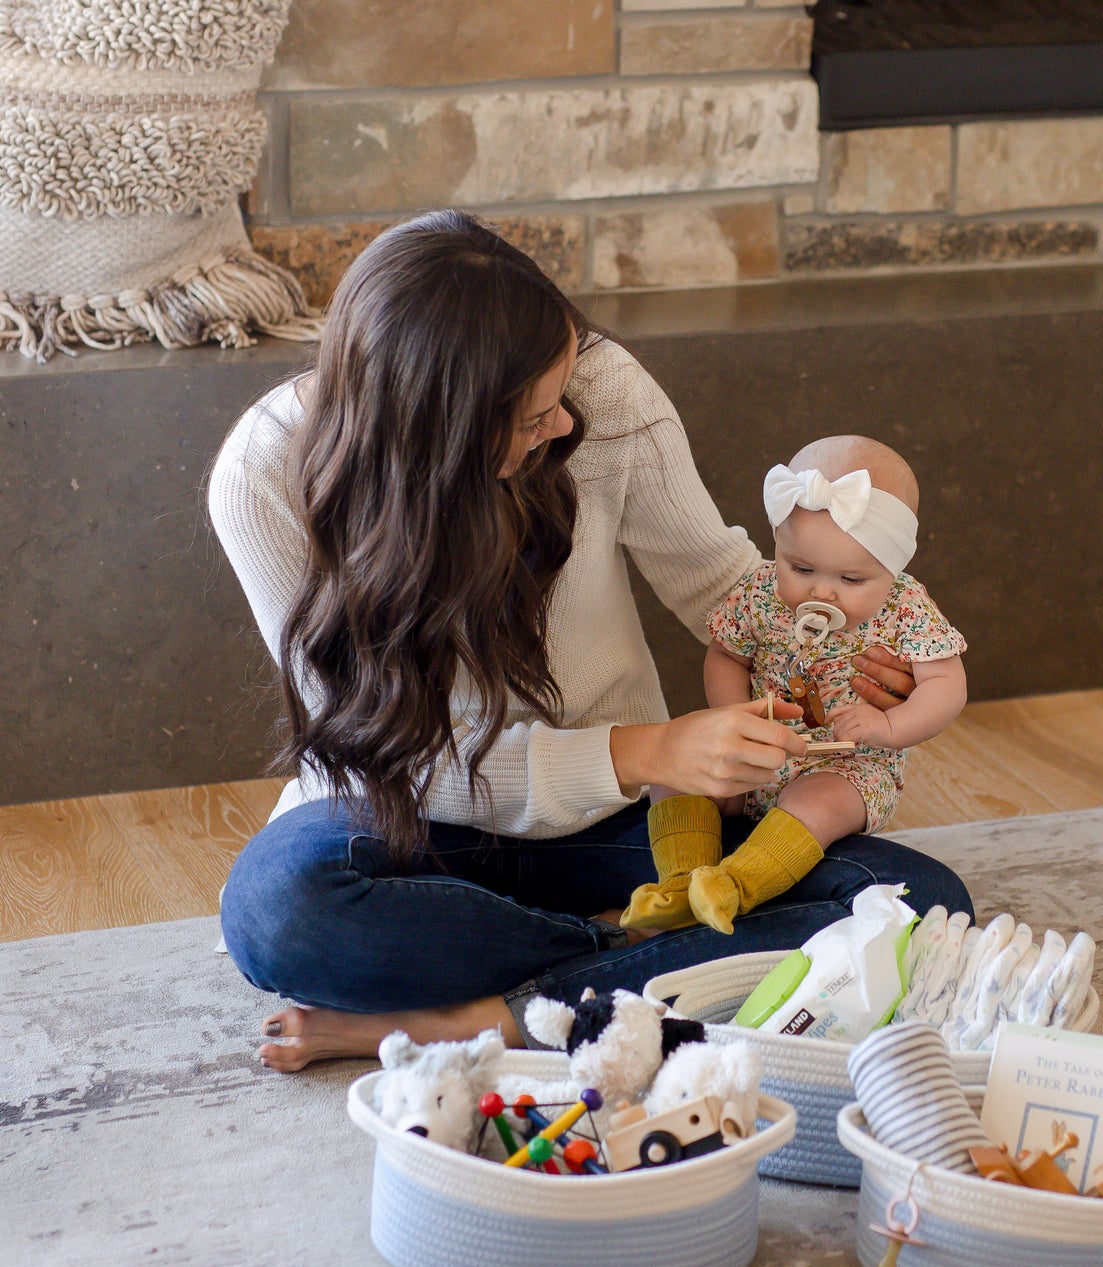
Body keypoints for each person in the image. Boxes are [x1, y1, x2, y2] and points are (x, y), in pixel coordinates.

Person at [208, 210, 973, 1072]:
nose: (565, 427)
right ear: (440, 431)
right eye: (534, 418)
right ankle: (638, 957)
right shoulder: (265, 476)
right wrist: (650, 749)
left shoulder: (600, 391)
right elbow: (387, 752)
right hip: (409, 821)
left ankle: (491, 1014)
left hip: (618, 821)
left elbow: (715, 580)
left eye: (560, 394)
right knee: (282, 913)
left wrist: (843, 655)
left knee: (919, 908)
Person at [621, 436, 967, 934]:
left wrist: (890, 724)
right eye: (800, 568)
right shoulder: (760, 593)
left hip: (848, 762)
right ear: (778, 547)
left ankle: (736, 885)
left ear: (894, 569)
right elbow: (725, 653)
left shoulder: (907, 608)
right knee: (672, 774)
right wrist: (735, 717)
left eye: (851, 579)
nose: (820, 591)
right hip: (759, 748)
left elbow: (945, 685)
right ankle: (679, 884)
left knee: (818, 802)